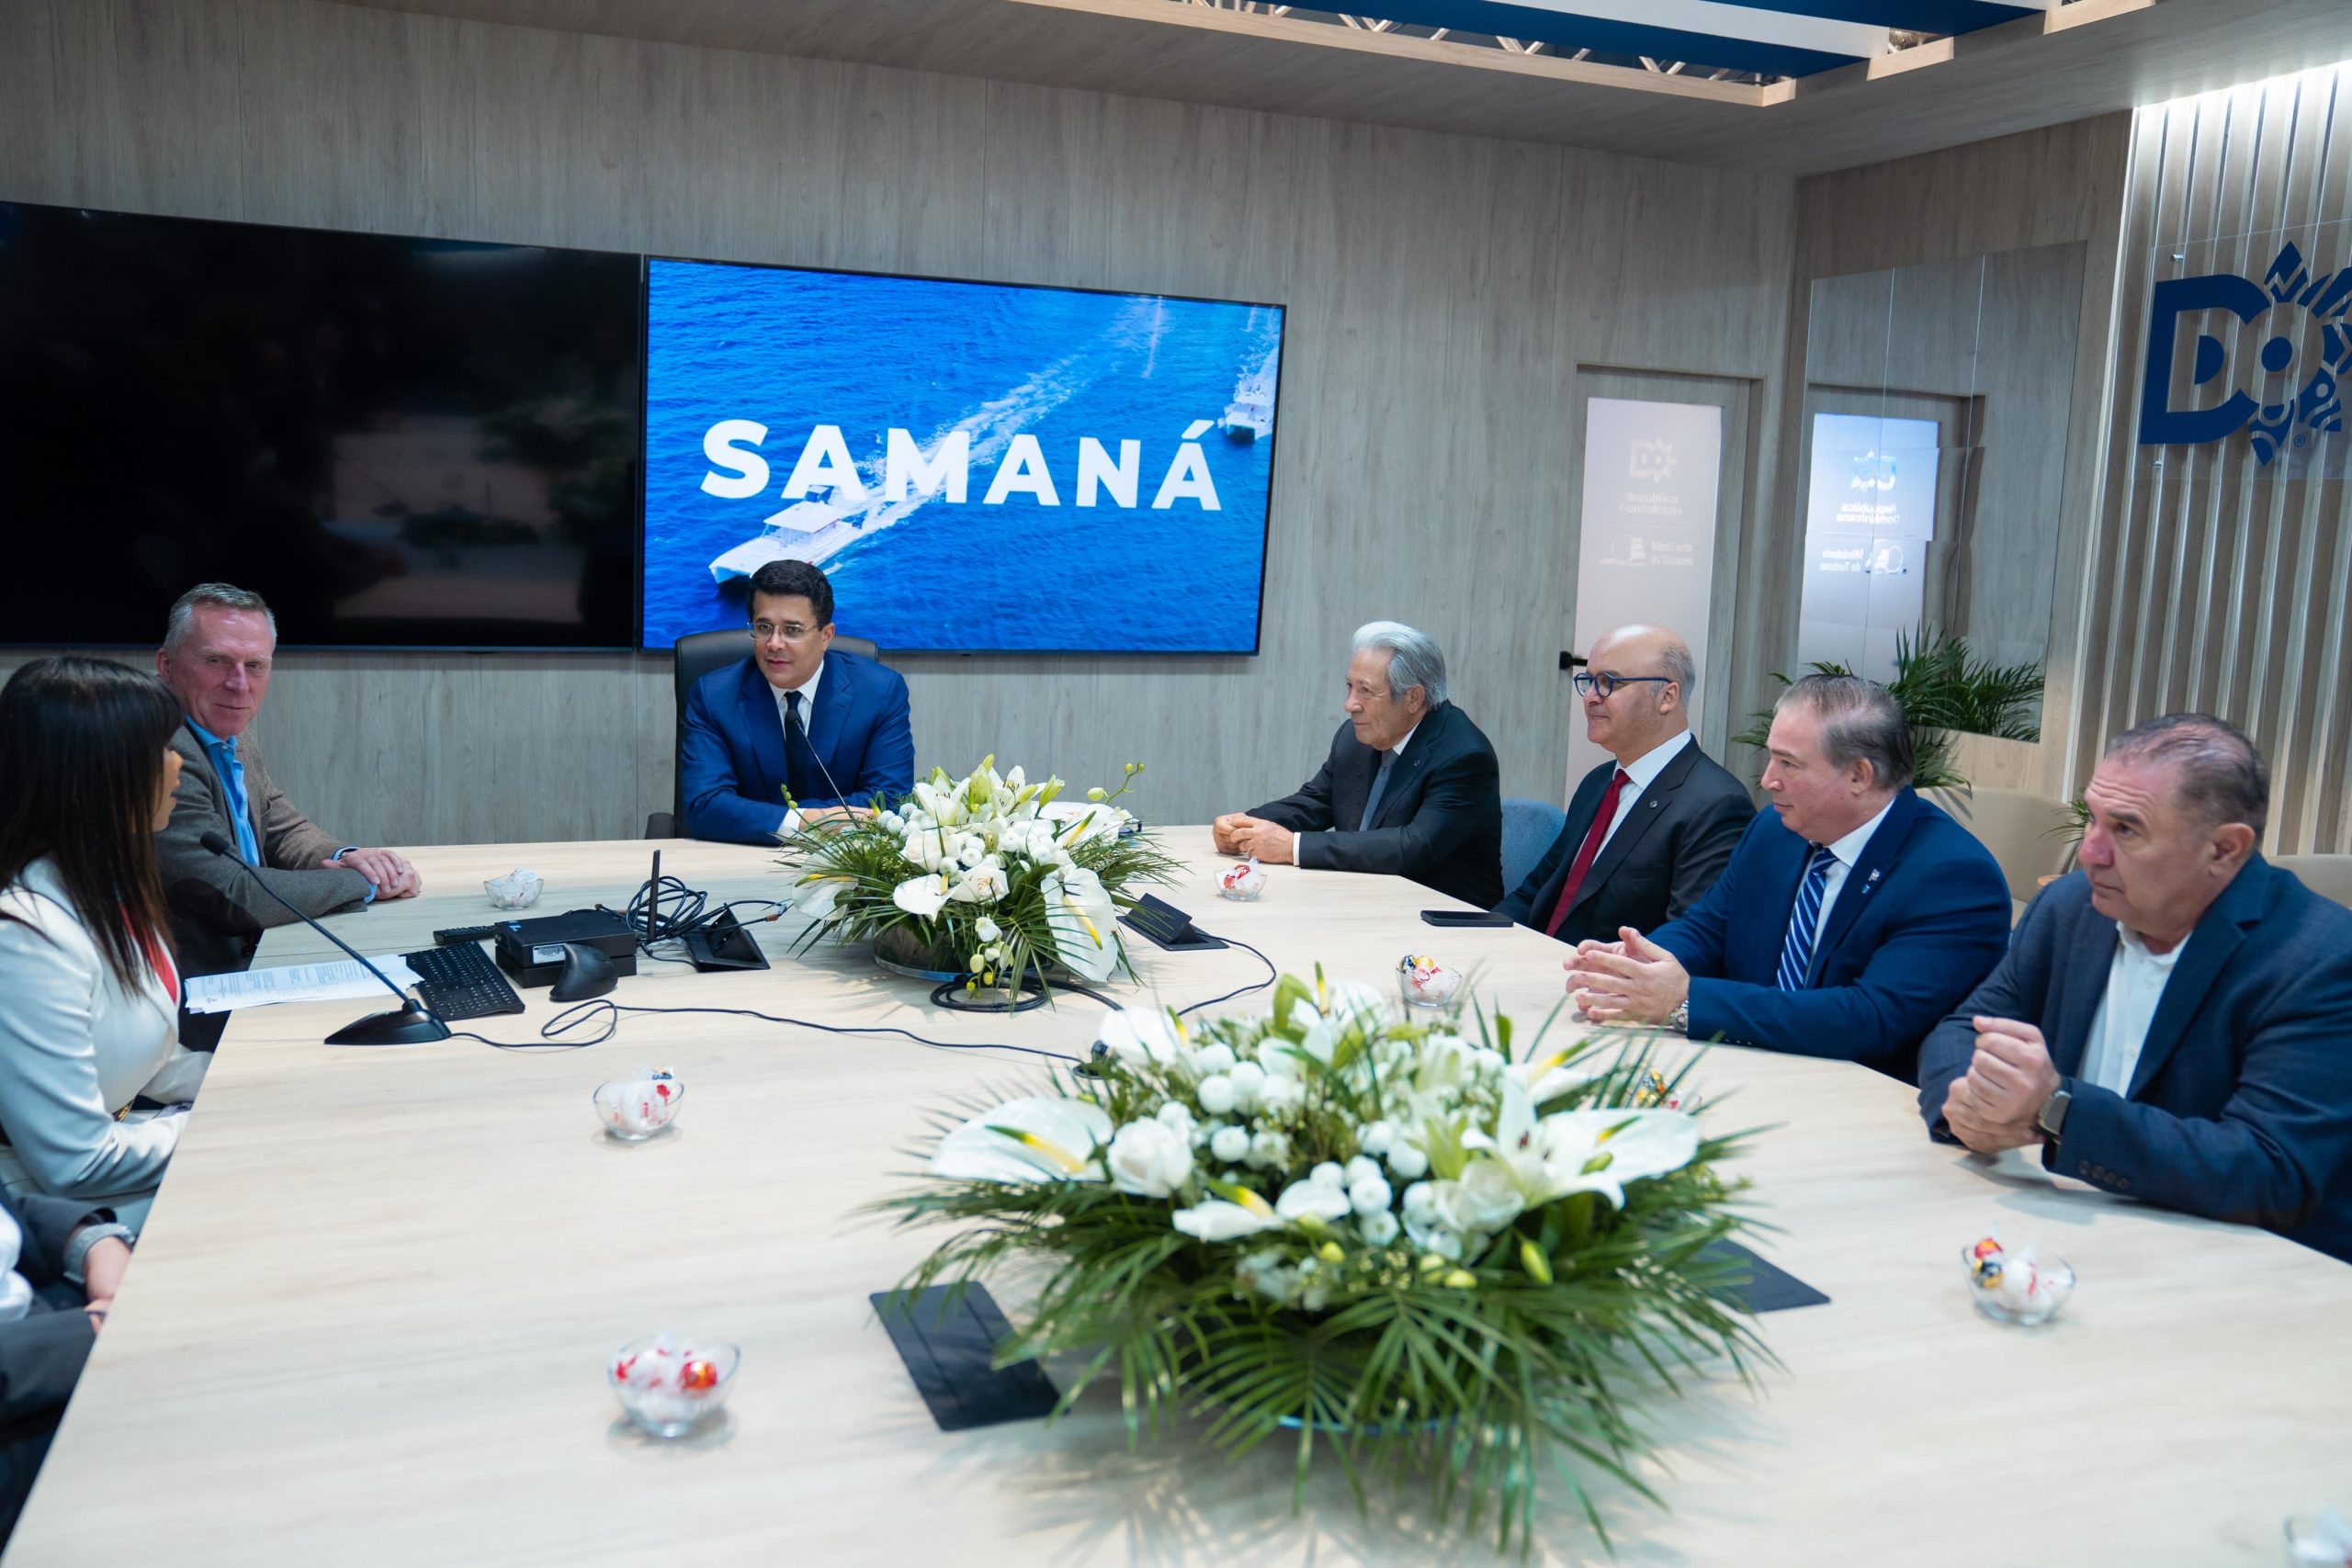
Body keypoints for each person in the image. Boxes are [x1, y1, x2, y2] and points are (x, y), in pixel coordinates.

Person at [1918, 716, 2352, 1261]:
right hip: (2061, 1227)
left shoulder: (2320, 960)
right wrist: (1968, 1106)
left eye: (2125, 830)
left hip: (2242, 1266)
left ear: (2224, 849)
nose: (2090, 853)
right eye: (2093, 820)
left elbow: (2270, 1171)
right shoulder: (2070, 908)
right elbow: (1964, 1029)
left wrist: (2057, 1110)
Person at [1565, 673, 2010, 1081]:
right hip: (1744, 1064)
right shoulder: (1775, 830)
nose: (1767, 780)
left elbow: (1869, 1019)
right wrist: (1644, 963)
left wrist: (1684, 1000)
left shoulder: (1953, 877)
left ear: (1859, 775)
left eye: (1788, 764)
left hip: (1857, 1094)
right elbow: (1709, 927)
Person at [153, 583, 419, 1052]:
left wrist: (350, 855)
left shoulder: (228, 726)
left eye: (255, 665)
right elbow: (230, 894)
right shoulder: (161, 746)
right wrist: (362, 882)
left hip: (262, 960)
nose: (239, 683)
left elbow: (281, 825)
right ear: (166, 665)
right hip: (196, 1002)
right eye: (216, 661)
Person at [0, 657, 209, 1225]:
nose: (179, 765)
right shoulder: (25, 936)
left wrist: (238, 1081)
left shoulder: (103, 886)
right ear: (99, 772)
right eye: (162, 749)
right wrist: (217, 1124)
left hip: (126, 1154)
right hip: (53, 1211)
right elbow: (76, 1164)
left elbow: (130, 1052)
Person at [1215, 621, 1503, 908]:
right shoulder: (1356, 736)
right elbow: (1317, 801)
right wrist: (1243, 826)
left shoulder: (1464, 757)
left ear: (1413, 698)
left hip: (1442, 916)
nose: (1350, 704)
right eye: (1350, 687)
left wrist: (1292, 847)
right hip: (1364, 898)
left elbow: (1414, 848)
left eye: (1366, 691)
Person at [1495, 625, 1750, 944]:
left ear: (1667, 697)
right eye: (1589, 681)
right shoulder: (1599, 781)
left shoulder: (1716, 804)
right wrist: (1476, 940)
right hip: (1534, 958)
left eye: (1608, 683)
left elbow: (1686, 941)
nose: (1590, 697)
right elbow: (1535, 892)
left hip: (1601, 971)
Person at [679, 559, 915, 845]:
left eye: (792, 630)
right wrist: (809, 822)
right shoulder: (714, 695)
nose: (774, 643)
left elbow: (889, 801)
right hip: (742, 855)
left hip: (848, 858)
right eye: (764, 627)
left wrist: (768, 818)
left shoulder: (879, 692)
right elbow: (706, 806)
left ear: (826, 636)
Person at [0, 1184, 134, 1546]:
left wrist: (91, 1240)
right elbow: (75, 1170)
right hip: (20, 1399)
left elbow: (10, 1212)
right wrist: (89, 1330)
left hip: (55, 1313)